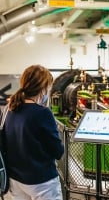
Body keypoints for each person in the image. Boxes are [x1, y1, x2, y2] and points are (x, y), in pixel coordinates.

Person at [3, 65, 64, 200]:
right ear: (43, 88)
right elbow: (58, 151)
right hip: (41, 181)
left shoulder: (9, 109)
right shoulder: (42, 113)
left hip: (15, 179)